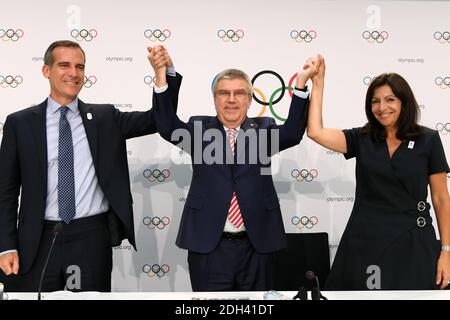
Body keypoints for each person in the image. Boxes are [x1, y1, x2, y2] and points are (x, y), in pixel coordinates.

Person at [0, 41, 181, 292]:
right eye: (64, 65)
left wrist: (164, 75)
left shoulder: (105, 118)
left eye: (80, 67)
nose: (73, 73)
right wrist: (6, 246)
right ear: (46, 71)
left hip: (90, 239)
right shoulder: (19, 123)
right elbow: (5, 192)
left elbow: (160, 120)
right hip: (37, 239)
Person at [148, 47, 319, 291]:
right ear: (214, 99)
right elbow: (166, 125)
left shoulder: (263, 130)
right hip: (209, 246)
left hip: (258, 246)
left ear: (250, 99)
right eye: (223, 93)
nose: (231, 99)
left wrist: (301, 83)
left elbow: (292, 133)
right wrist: (162, 74)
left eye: (239, 93)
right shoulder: (199, 130)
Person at [307, 55, 450, 290]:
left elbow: (441, 199)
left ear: (404, 102)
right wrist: (319, 84)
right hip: (364, 242)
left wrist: (446, 251)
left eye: (390, 99)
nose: (382, 108)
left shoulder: (428, 140)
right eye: (375, 101)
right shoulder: (361, 138)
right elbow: (315, 132)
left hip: (413, 242)